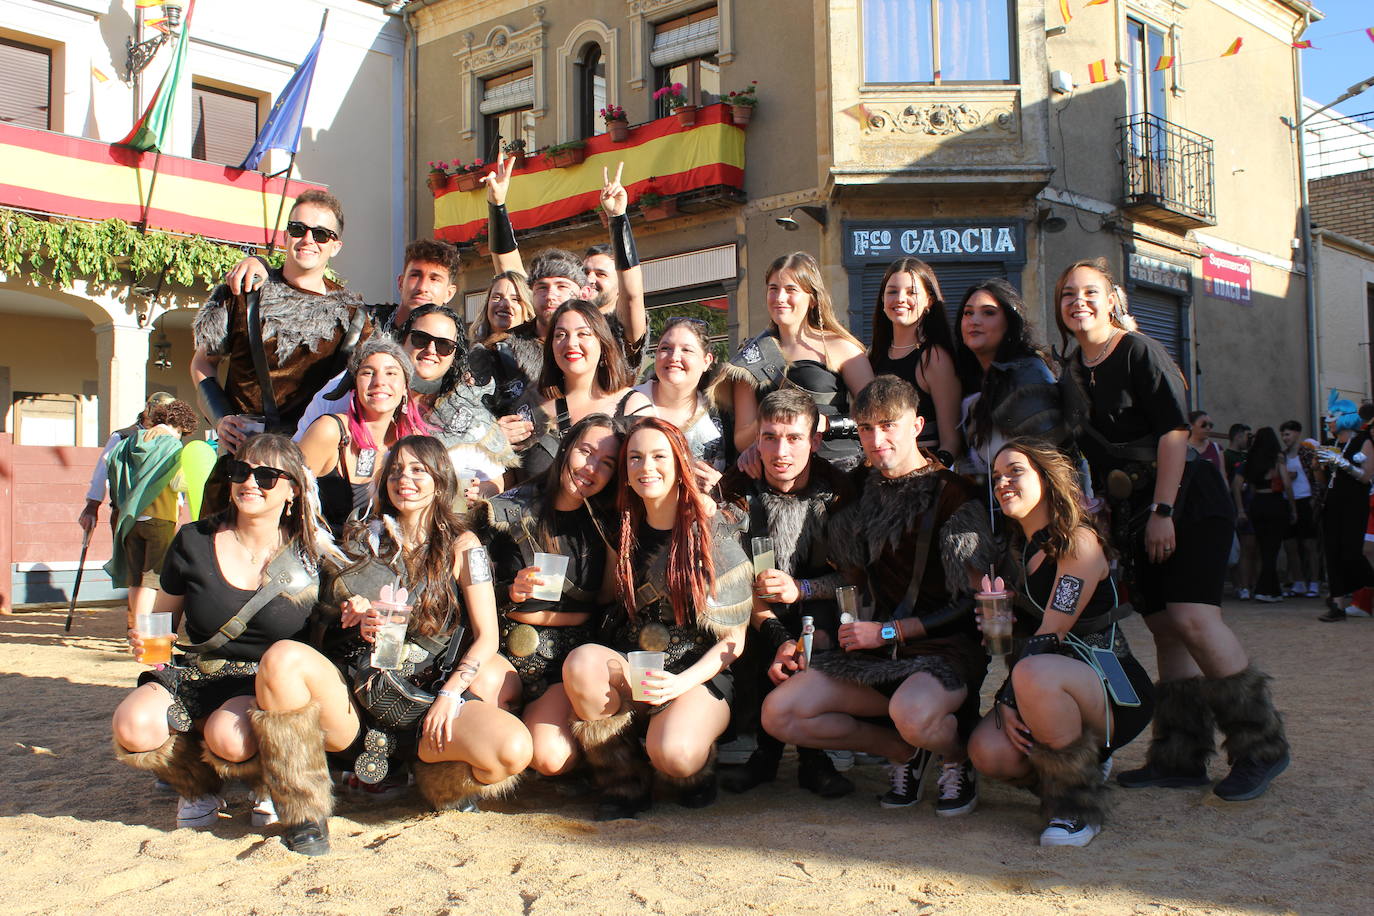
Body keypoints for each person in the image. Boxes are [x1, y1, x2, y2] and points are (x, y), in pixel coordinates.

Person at [1054, 257, 1288, 801]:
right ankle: (1180, 756)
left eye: (1090, 291)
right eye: (1068, 293)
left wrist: (1162, 511)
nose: (1078, 301)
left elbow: (1174, 433)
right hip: (1137, 508)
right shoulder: (1071, 369)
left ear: (1112, 298)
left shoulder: (1138, 351)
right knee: (1162, 626)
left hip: (1186, 499)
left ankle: (1261, 746)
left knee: (1192, 617)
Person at [251, 435, 532, 855]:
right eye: (397, 470)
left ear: (440, 480)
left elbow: (487, 636)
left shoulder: (464, 546)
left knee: (511, 750)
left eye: (419, 470)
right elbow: (323, 618)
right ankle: (303, 811)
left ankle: (431, 775)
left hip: (425, 701)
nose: (406, 479)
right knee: (282, 659)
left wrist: (451, 696)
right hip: (356, 697)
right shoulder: (361, 538)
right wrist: (354, 616)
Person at [761, 376, 995, 817]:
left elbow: (973, 602)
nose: (876, 438)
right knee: (780, 713)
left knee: (913, 712)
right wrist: (804, 589)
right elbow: (852, 577)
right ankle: (905, 754)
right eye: (866, 427)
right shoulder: (856, 486)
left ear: (917, 425)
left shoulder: (955, 496)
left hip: (943, 650)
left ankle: (955, 757)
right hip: (874, 652)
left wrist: (889, 630)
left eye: (888, 425)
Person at [111, 435, 325, 834]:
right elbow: (162, 623)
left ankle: (268, 780)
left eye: (266, 475)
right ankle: (198, 785)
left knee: (229, 736)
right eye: (241, 471)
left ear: (293, 489)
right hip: (197, 671)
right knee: (133, 724)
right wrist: (148, 645)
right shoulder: (193, 540)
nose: (250, 483)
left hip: (267, 685)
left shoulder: (312, 555)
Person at [561, 418, 753, 820]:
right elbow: (607, 600)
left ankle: (691, 766)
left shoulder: (712, 532)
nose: (646, 467)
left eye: (658, 456)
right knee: (582, 663)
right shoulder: (621, 531)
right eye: (635, 458)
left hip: (696, 674)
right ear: (626, 472)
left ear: (680, 463)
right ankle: (623, 779)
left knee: (676, 757)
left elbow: (734, 641)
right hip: (637, 663)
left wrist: (681, 682)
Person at [969, 440, 1155, 847]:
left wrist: (1006, 697)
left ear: (1046, 478)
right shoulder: (1019, 549)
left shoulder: (1078, 541)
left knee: (1033, 670)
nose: (1002, 483)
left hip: (1113, 685)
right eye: (996, 476)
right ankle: (1076, 764)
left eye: (1014, 471)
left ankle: (1075, 804)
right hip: (1048, 682)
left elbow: (1051, 634)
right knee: (987, 751)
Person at [191, 189, 370, 513]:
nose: (307, 240)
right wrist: (221, 418)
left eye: (321, 233)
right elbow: (203, 363)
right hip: (242, 468)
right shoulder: (241, 292)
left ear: (335, 245)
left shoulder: (353, 315)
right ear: (286, 235)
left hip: (308, 475)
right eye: (298, 229)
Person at [717, 389, 854, 798]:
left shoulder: (838, 489)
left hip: (822, 603)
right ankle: (764, 753)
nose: (781, 450)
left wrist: (803, 589)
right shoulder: (737, 486)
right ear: (756, 439)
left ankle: (815, 757)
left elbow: (857, 576)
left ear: (813, 441)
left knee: (822, 630)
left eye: (794, 438)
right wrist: (777, 631)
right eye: (770, 436)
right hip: (755, 609)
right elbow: (726, 574)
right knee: (742, 629)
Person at [474, 414, 623, 776]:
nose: (591, 468)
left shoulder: (610, 522)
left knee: (549, 759)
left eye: (607, 463)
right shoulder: (505, 511)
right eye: (585, 452)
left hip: (564, 659)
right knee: (488, 729)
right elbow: (466, 586)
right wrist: (510, 589)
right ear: (566, 448)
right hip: (506, 648)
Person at [288, 239, 467, 440]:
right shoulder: (359, 322)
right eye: (415, 275)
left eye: (434, 279)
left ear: (450, 292)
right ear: (400, 282)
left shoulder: (454, 347)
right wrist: (263, 267)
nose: (423, 286)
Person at [713, 252, 875, 470]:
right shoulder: (752, 356)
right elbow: (741, 439)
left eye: (791, 290)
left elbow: (878, 416)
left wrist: (828, 424)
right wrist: (776, 423)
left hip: (837, 469)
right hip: (778, 470)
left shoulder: (841, 347)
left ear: (813, 298)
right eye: (773, 289)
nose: (780, 297)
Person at [484, 155, 648, 369]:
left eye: (561, 286)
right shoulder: (515, 342)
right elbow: (509, 269)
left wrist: (618, 218)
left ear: (582, 293)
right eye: (542, 288)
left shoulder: (611, 336)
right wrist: (497, 206)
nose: (550, 294)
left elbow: (632, 296)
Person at [298, 337, 430, 536]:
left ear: (405, 388)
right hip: (324, 558)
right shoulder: (329, 431)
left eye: (391, 373)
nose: (379, 382)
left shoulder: (413, 443)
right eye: (368, 373)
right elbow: (285, 497)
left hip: (387, 560)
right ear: (354, 385)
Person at [517, 300, 653, 479]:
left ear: (603, 344)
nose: (571, 343)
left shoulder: (633, 406)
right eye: (560, 335)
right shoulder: (532, 402)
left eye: (583, 334)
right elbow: (508, 476)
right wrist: (499, 442)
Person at [951, 278, 1064, 476]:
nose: (974, 320)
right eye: (968, 313)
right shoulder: (971, 379)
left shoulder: (1027, 373)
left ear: (1010, 321)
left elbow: (1052, 457)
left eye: (988, 312)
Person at [103, 398, 200, 625]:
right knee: (151, 580)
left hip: (129, 518)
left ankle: (133, 630)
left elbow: (110, 464)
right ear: (181, 426)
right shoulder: (172, 445)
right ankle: (144, 633)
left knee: (135, 580)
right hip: (160, 517)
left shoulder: (131, 440)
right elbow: (177, 484)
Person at [867, 257, 962, 462]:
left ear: (929, 301)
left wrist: (930, 474)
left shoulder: (934, 358)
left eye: (912, 292)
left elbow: (951, 441)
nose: (900, 298)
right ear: (882, 300)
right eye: (892, 291)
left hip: (922, 477)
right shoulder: (872, 355)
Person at [633, 316, 727, 489]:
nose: (674, 356)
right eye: (665, 348)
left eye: (687, 350)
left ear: (707, 361)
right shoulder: (628, 404)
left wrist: (720, 487)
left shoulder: (721, 414)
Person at [78, 391, 176, 536]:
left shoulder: (169, 440)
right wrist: (92, 506)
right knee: (126, 559)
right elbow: (103, 470)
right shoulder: (123, 437)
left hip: (161, 516)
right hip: (126, 514)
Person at [1314, 393, 1374, 621]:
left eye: (1332, 416)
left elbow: (1366, 476)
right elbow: (1322, 481)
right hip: (1332, 503)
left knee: (1351, 552)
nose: (1327, 421)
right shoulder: (1331, 444)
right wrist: (1316, 465)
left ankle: (1368, 585)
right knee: (1333, 553)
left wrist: (1342, 463)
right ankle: (1337, 606)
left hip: (1354, 504)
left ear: (1345, 417)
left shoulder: (1362, 441)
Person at [1240, 427, 1291, 604]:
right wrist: (1292, 507)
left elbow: (1249, 485)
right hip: (1275, 502)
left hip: (1257, 503)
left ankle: (1273, 590)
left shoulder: (1252, 458)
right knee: (1273, 549)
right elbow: (1286, 483)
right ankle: (1265, 590)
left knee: (1264, 547)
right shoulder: (1277, 457)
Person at [1278, 420, 1321, 598]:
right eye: (1283, 435)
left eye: (1287, 434)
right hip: (1288, 501)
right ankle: (1298, 582)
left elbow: (1318, 479)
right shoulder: (1282, 456)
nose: (1285, 438)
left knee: (1309, 544)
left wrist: (1313, 501)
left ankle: (1315, 582)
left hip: (1305, 500)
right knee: (1290, 545)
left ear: (1297, 433)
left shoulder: (1308, 453)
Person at [1224, 423, 1257, 600]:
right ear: (1238, 436)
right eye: (1247, 436)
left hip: (1249, 506)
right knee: (1237, 548)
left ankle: (1248, 584)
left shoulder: (1248, 456)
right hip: (1235, 506)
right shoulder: (1227, 456)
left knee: (1248, 548)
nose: (1249, 439)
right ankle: (1238, 585)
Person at [470, 270, 535, 348]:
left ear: (527, 310)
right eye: (497, 297)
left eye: (515, 299)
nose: (504, 304)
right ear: (487, 304)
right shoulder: (467, 352)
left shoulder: (539, 353)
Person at [1187, 411, 1225, 479]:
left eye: (1210, 425)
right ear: (1191, 426)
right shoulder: (1182, 448)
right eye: (1203, 425)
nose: (1208, 428)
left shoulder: (1216, 448)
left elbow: (1222, 476)